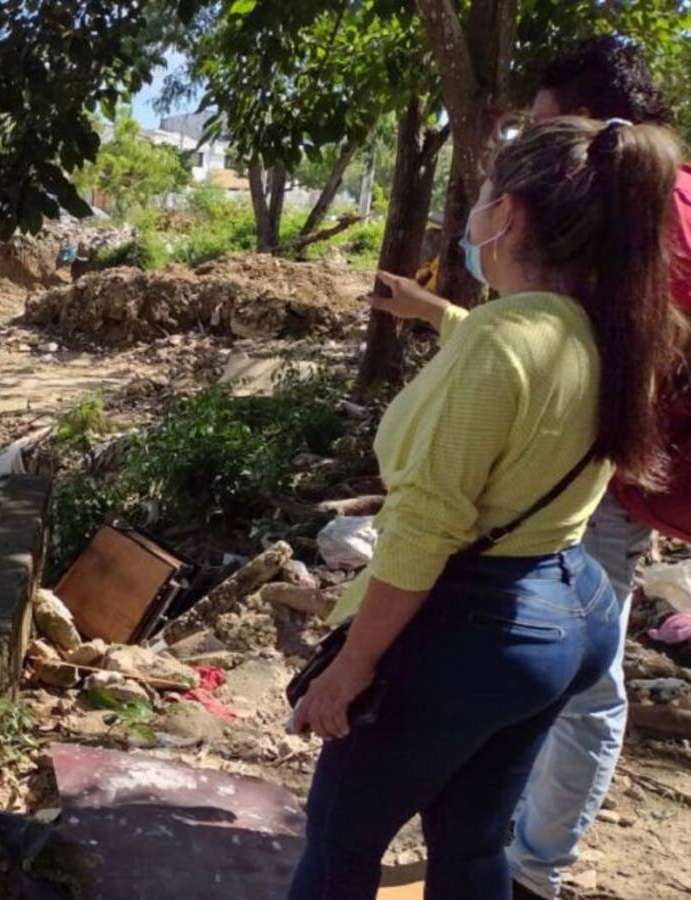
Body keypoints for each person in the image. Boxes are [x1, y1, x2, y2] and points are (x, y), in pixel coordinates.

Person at [287, 117, 683, 900]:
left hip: (477, 626)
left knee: (341, 838)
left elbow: (424, 527)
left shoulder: (503, 344)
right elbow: (532, 367)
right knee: (471, 841)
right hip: (573, 613)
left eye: (480, 199)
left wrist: (350, 671)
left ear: (511, 216)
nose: (471, 220)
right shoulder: (622, 328)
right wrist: (433, 312)